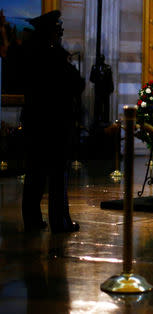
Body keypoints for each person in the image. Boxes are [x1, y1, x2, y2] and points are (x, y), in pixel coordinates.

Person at [21, 10, 84, 233]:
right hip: (55, 123)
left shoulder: (32, 52)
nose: (61, 30)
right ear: (50, 30)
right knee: (57, 174)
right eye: (58, 26)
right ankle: (60, 221)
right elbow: (76, 85)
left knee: (35, 174)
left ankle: (33, 219)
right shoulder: (53, 55)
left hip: (36, 122)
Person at [90, 54, 114, 125]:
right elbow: (91, 78)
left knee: (106, 106)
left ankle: (105, 119)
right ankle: (97, 119)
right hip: (98, 89)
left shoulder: (108, 67)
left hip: (106, 90)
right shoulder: (94, 67)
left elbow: (110, 79)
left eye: (102, 58)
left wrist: (111, 88)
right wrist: (97, 79)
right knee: (97, 105)